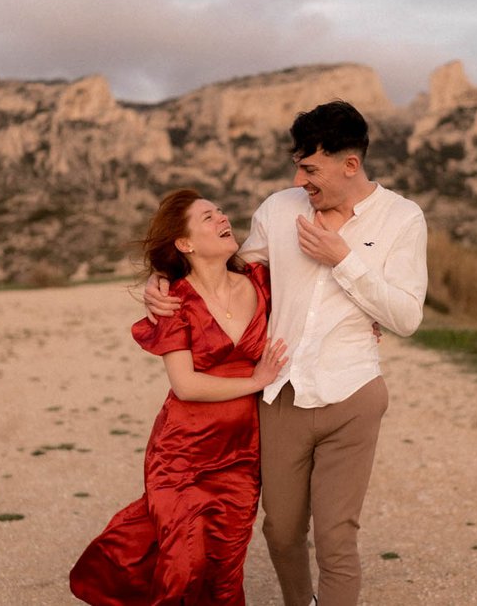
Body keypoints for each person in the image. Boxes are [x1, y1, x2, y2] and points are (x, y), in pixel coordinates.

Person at [145, 101, 428, 606]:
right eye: (297, 164)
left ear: (350, 164)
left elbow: (406, 317)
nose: (299, 178)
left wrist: (344, 260)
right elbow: (226, 270)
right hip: (281, 398)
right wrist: (161, 279)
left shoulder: (402, 219)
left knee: (337, 538)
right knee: (280, 531)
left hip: (352, 394)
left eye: (310, 167)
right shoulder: (280, 209)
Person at [70, 188, 288, 606]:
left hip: (243, 457)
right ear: (185, 244)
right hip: (182, 455)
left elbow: (314, 295)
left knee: (225, 572)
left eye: (221, 211)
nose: (223, 218)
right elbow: (185, 384)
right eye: (208, 217)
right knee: (182, 566)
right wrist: (256, 381)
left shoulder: (261, 283)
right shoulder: (176, 302)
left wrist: (364, 321)